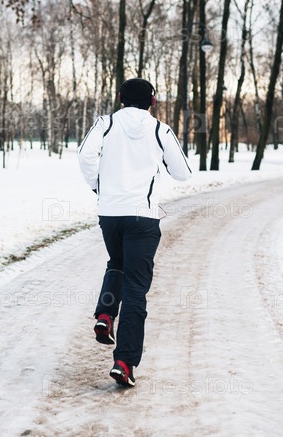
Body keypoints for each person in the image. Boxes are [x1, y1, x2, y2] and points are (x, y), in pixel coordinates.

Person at [77, 78, 192, 387]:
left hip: (110, 214)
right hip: (142, 217)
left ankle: (105, 315)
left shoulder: (105, 123)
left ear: (120, 98)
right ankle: (124, 362)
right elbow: (183, 173)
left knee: (117, 262)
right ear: (152, 101)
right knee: (135, 290)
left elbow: (85, 155)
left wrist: (98, 186)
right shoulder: (160, 130)